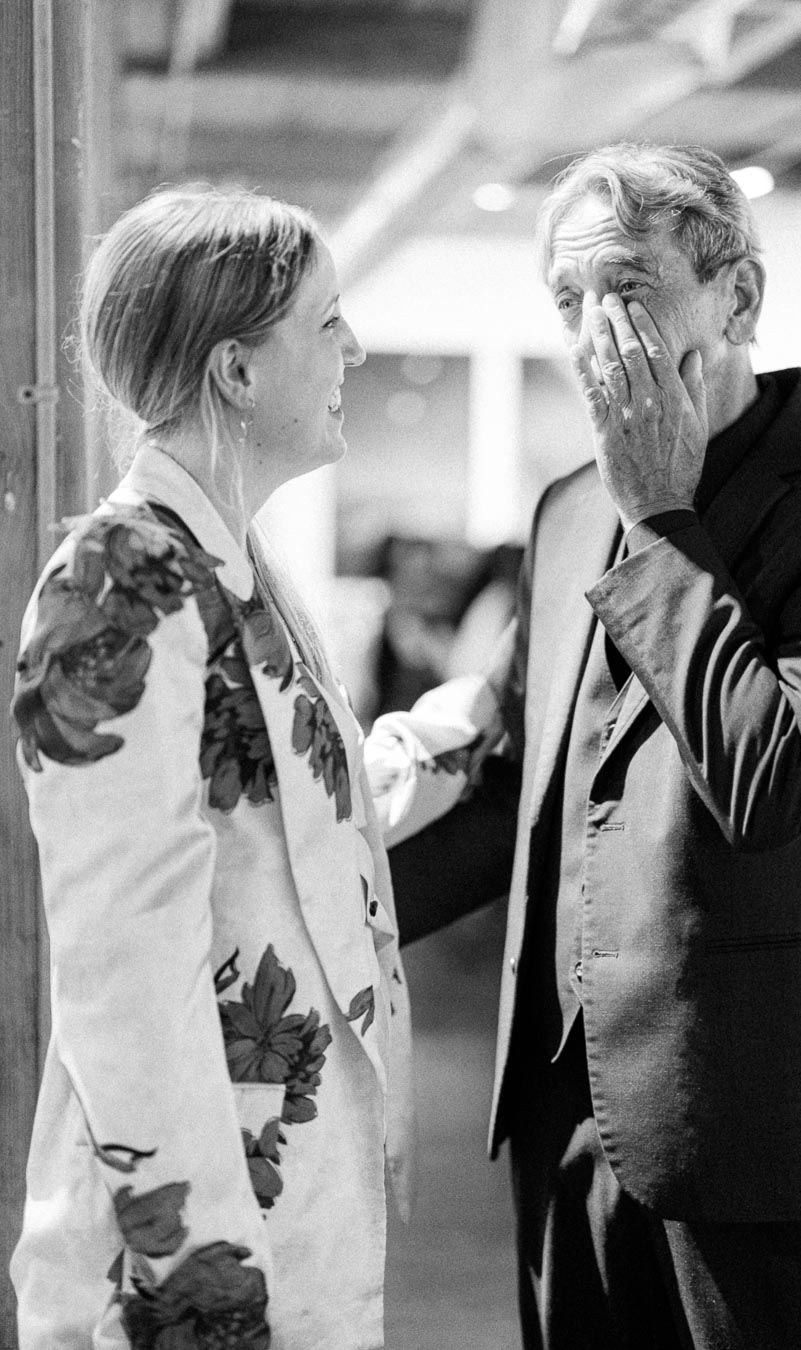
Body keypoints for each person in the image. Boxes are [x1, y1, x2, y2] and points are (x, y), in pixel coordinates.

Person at [366, 142, 801, 1349]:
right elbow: (519, 797)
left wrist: (662, 515)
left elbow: (775, 775)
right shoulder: (566, 510)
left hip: (765, 1133)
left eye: (627, 292)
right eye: (569, 302)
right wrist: (320, 911)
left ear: (739, 299)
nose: (592, 333)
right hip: (567, 1128)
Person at [10, 185, 413, 1349]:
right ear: (237, 370)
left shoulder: (235, 567)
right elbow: (121, 966)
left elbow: (303, 826)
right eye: (327, 322)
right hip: (192, 1256)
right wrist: (202, 1280)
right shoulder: (119, 579)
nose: (357, 348)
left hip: (279, 1201)